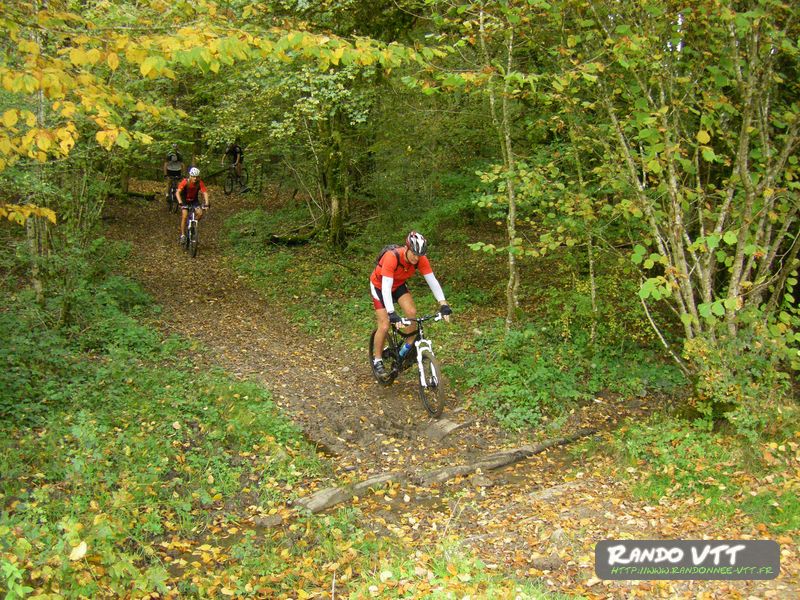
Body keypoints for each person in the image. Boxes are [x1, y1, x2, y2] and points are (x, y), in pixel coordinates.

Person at [369, 231, 452, 380]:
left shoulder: (421, 259)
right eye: (414, 253)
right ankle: (378, 360)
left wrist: (443, 303)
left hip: (398, 284)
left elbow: (432, 281)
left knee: (411, 312)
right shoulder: (392, 257)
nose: (416, 258)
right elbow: (386, 287)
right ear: (407, 248)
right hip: (380, 286)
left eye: (419, 255)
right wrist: (392, 313)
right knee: (385, 324)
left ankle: (406, 348)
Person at [175, 167, 210, 244]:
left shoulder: (199, 182)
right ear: (190, 176)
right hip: (185, 201)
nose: (195, 178)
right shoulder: (185, 182)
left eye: (197, 177)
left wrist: (207, 204)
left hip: (194, 201)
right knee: (184, 216)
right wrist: (180, 202)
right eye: (193, 176)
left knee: (200, 213)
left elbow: (205, 193)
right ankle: (183, 235)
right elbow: (177, 192)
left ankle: (193, 225)